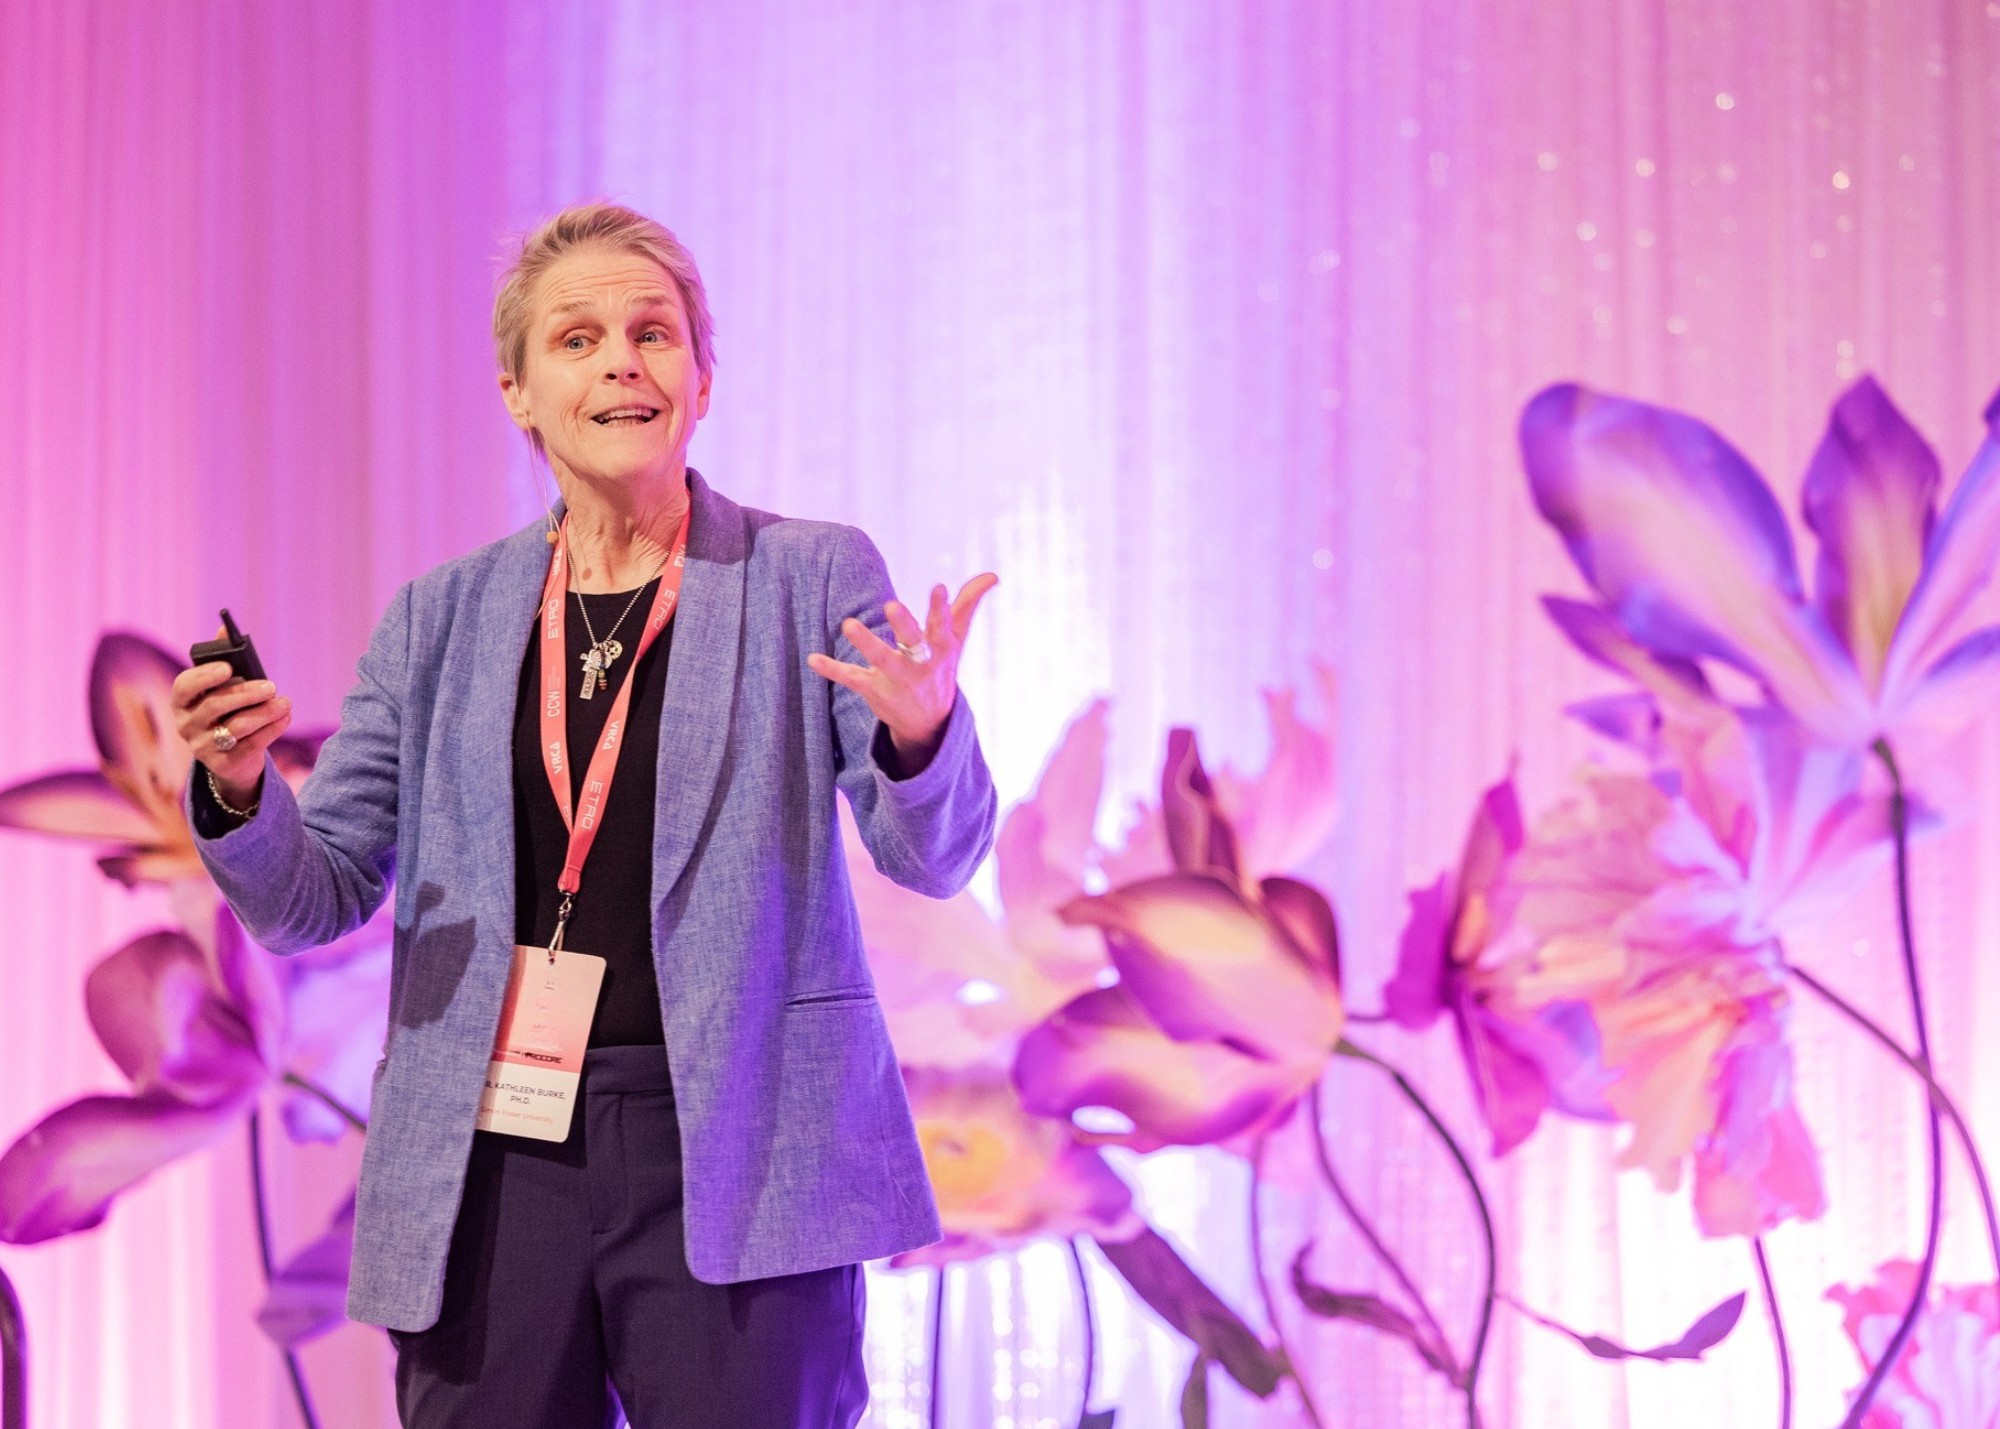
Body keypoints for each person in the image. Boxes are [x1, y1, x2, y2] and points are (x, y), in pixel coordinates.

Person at [168, 202, 999, 1429]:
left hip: (742, 1139)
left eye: (653, 333)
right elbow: (317, 893)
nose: (621, 359)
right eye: (578, 337)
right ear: (517, 389)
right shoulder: (438, 618)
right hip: (491, 1156)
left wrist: (921, 734)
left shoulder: (807, 575)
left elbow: (930, 855)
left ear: (701, 381)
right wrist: (240, 791)